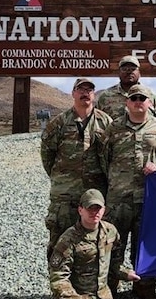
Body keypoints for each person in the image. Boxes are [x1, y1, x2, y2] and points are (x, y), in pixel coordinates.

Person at [89, 83, 156, 299]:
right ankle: (108, 293)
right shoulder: (114, 128)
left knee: (145, 248)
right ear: (127, 103)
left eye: (142, 98)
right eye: (134, 98)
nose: (138, 101)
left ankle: (147, 291)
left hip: (147, 201)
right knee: (111, 246)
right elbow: (102, 158)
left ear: (150, 102)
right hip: (118, 200)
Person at [47, 188, 141, 299]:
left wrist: (125, 273)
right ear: (80, 210)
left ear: (104, 210)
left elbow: (114, 263)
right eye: (89, 208)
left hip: (101, 297)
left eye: (98, 208)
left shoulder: (111, 232)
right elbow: (58, 278)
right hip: (73, 296)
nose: (94, 213)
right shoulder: (68, 240)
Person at [40, 77, 114, 258]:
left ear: (94, 95)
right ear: (73, 93)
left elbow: (113, 154)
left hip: (95, 193)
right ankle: (58, 283)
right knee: (59, 242)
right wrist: (61, 177)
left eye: (89, 90)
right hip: (64, 195)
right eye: (80, 90)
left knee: (93, 243)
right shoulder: (59, 123)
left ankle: (89, 284)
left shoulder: (106, 123)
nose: (85, 94)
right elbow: (47, 154)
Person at [96, 55, 156, 122]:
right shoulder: (105, 97)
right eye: (124, 69)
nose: (129, 72)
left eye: (133, 69)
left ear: (139, 72)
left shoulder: (151, 96)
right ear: (119, 72)